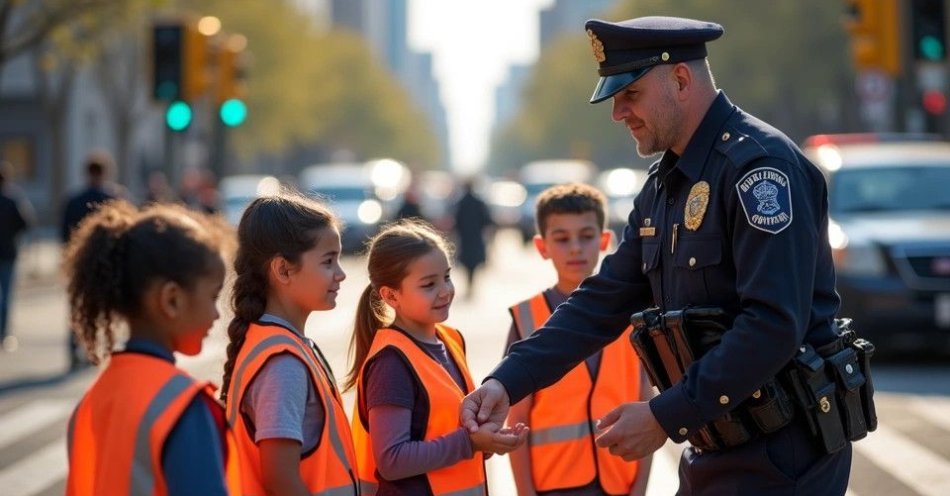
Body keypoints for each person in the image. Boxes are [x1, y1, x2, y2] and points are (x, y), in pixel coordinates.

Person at [462, 16, 853, 495]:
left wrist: (662, 416)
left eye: (631, 95)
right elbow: (603, 300)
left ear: (682, 80)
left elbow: (772, 325)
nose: (617, 113)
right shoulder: (665, 185)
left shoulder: (760, 169)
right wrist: (506, 382)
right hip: (716, 443)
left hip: (783, 452)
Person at [64, 200, 240, 495]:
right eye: (212, 296)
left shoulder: (93, 400)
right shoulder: (182, 405)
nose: (216, 314)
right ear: (171, 300)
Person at [345, 219, 527, 495]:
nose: (445, 290)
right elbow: (393, 460)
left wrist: (486, 441)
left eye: (447, 276)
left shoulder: (451, 339)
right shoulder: (391, 363)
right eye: (429, 284)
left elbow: (445, 434)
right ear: (391, 295)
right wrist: (470, 443)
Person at [505, 183, 653, 496]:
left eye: (586, 237)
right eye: (562, 238)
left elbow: (646, 406)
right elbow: (516, 421)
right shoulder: (526, 319)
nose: (575, 248)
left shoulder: (633, 315)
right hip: (553, 486)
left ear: (604, 241)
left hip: (619, 481)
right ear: (542, 246)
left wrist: (640, 488)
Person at [220, 191, 359, 496]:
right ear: (283, 269)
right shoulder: (282, 365)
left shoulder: (285, 347)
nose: (341, 274)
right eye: (328, 261)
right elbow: (280, 481)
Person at [61, 150, 120, 369]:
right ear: (105, 173)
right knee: (103, 307)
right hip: (107, 262)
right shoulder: (113, 199)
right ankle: (94, 348)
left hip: (79, 260)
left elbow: (65, 233)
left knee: (78, 305)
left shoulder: (74, 200)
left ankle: (74, 347)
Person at [0, 161, 34, 351]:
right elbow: (26, 223)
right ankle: (3, 333)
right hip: (8, 252)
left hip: (6, 252)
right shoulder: (13, 200)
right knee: (6, 295)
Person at [451, 179, 494, 299]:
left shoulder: (461, 202)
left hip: (465, 239)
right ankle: (471, 284)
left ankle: (469, 284)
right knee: (473, 264)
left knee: (467, 264)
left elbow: (456, 222)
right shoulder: (479, 202)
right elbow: (487, 221)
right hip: (476, 238)